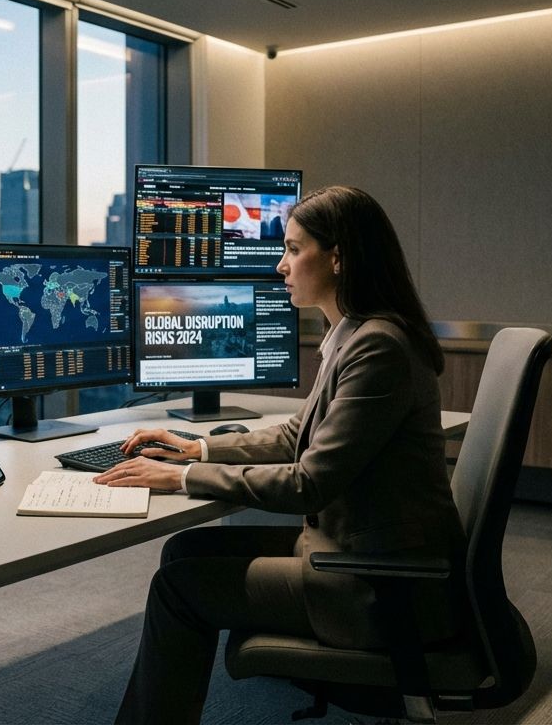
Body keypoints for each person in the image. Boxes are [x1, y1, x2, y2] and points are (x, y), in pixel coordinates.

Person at [94, 185, 465, 725]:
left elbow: (308, 483)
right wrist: (195, 446)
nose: (280, 265)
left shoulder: (377, 346)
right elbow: (296, 436)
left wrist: (182, 478)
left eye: (293, 249)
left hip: (380, 584)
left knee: (178, 587)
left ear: (337, 256)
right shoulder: (354, 334)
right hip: (353, 547)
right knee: (185, 550)